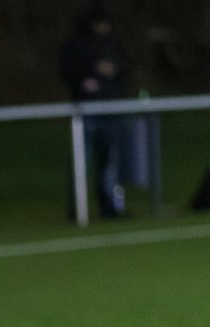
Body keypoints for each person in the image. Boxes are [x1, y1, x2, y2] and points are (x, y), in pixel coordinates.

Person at [59, 4, 131, 218]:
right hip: (86, 111)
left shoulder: (112, 44)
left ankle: (112, 208)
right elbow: (67, 71)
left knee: (111, 164)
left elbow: (123, 67)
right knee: (80, 161)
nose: (103, 28)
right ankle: (77, 210)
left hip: (111, 110)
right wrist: (89, 74)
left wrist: (114, 70)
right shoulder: (75, 45)